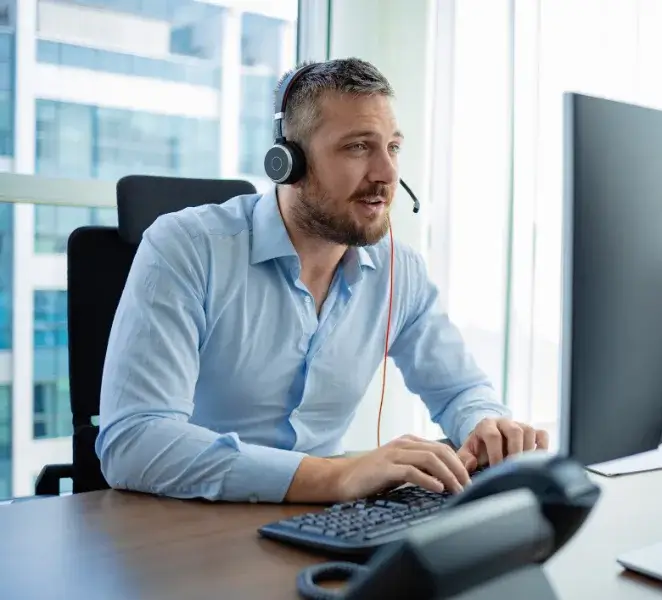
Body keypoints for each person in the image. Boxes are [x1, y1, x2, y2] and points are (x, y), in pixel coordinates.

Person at [96, 57, 549, 504]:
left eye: (393, 147)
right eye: (358, 147)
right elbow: (135, 442)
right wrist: (333, 477)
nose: (387, 175)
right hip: (185, 530)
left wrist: (485, 423)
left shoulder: (398, 271)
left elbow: (460, 389)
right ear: (287, 161)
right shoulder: (188, 247)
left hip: (321, 522)